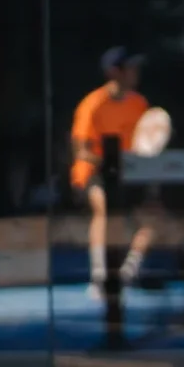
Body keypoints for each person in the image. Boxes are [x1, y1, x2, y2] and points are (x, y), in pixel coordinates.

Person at [71, 47, 153, 297]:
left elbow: (146, 142)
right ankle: (100, 277)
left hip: (129, 174)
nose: (135, 73)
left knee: (153, 218)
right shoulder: (92, 105)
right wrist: (108, 165)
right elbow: (81, 151)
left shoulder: (140, 104)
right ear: (114, 72)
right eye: (130, 68)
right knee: (104, 208)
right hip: (93, 173)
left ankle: (128, 273)